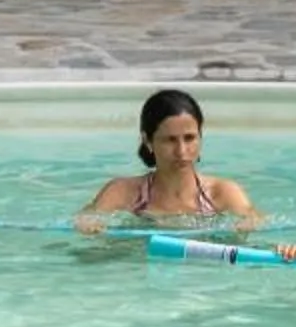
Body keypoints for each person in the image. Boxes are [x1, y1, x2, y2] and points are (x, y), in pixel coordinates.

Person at [74, 90, 260, 232]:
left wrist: (247, 224)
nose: (181, 151)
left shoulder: (222, 193)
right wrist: (88, 224)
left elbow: (254, 219)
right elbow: (87, 218)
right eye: (170, 140)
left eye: (189, 138)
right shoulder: (123, 192)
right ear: (148, 141)